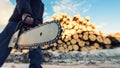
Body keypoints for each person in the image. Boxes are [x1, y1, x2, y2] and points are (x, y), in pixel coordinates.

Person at [0, 0, 44, 68]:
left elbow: (39, 19)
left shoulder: (41, 4)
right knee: (3, 44)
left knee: (36, 49)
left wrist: (37, 23)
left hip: (33, 26)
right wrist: (25, 12)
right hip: (17, 21)